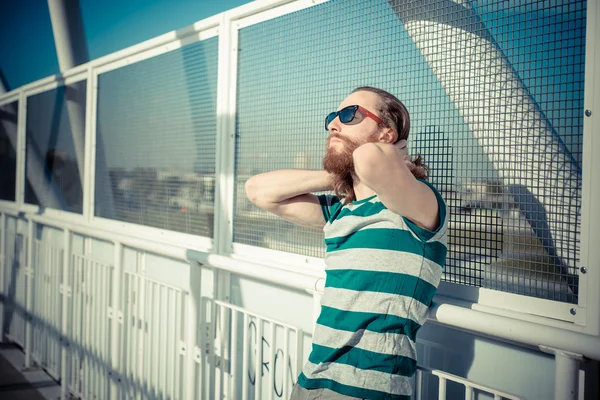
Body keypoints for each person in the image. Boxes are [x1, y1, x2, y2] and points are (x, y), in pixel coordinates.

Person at [245, 86, 448, 400]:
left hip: (366, 390)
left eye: (348, 114)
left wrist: (374, 159)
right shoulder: (339, 211)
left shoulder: (417, 204)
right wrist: (336, 174)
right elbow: (257, 190)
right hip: (310, 381)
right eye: (331, 117)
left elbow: (368, 159)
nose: (332, 125)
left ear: (387, 134)